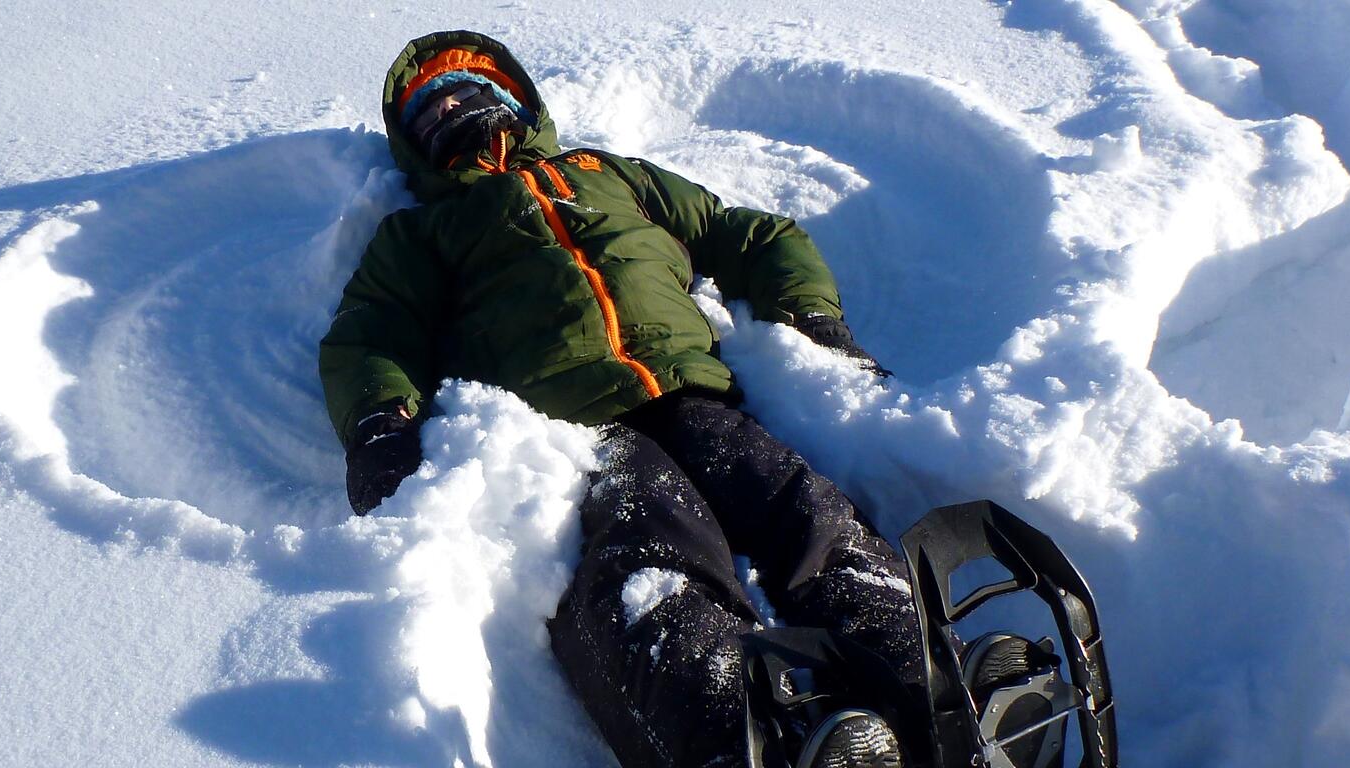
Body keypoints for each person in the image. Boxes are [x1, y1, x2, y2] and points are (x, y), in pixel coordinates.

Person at [320, 30, 923, 768]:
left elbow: (744, 234)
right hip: (575, 426)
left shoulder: (604, 173)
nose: (445, 107)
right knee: (650, 563)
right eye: (425, 108)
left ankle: (926, 685)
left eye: (460, 91)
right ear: (413, 144)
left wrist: (810, 317)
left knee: (803, 510)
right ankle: (727, 743)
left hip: (691, 392)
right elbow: (372, 332)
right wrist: (380, 423)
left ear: (510, 102)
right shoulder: (422, 231)